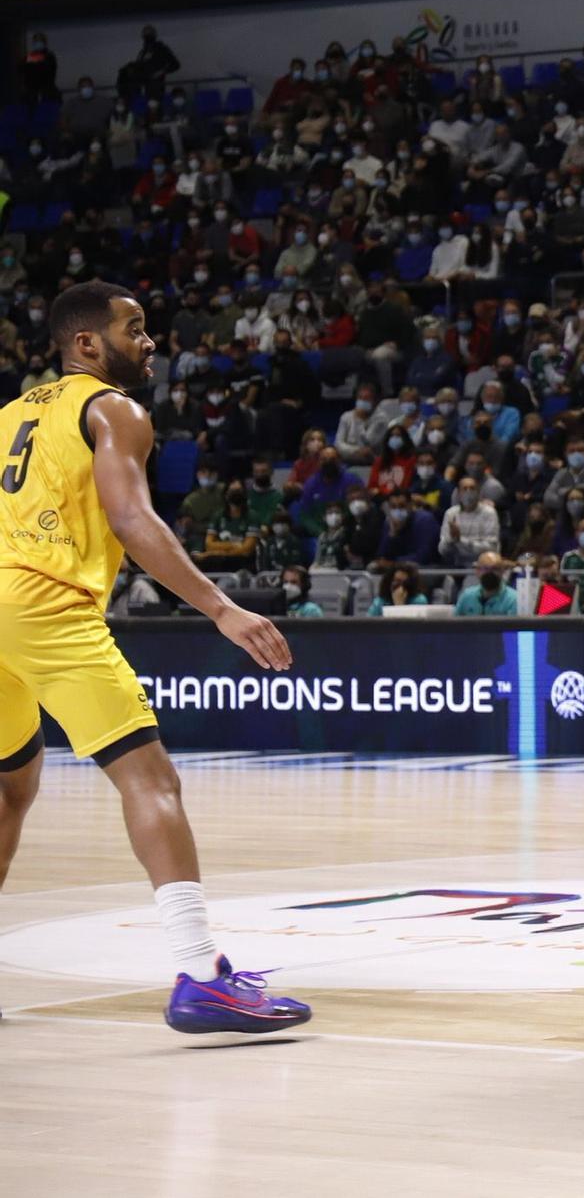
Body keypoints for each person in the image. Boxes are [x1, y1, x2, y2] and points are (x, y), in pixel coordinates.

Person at [0, 281, 310, 1032]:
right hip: (45, 603)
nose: (149, 342)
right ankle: (204, 976)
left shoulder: (11, 412)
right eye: (133, 329)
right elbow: (132, 518)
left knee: (11, 789)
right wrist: (220, 607)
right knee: (151, 778)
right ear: (86, 344)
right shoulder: (113, 408)